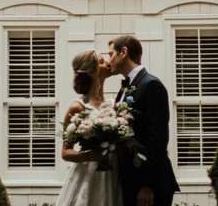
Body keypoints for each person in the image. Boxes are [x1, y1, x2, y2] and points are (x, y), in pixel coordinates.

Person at [107, 35, 180, 206]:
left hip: (149, 186)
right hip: (131, 179)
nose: (108, 60)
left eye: (111, 54)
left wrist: (148, 185)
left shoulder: (151, 85)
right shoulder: (125, 88)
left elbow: (158, 139)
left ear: (123, 52)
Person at [55, 49, 122, 206]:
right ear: (92, 71)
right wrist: (88, 155)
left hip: (113, 174)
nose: (108, 62)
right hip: (89, 176)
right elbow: (65, 152)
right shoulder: (78, 107)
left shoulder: (114, 105)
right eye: (101, 61)